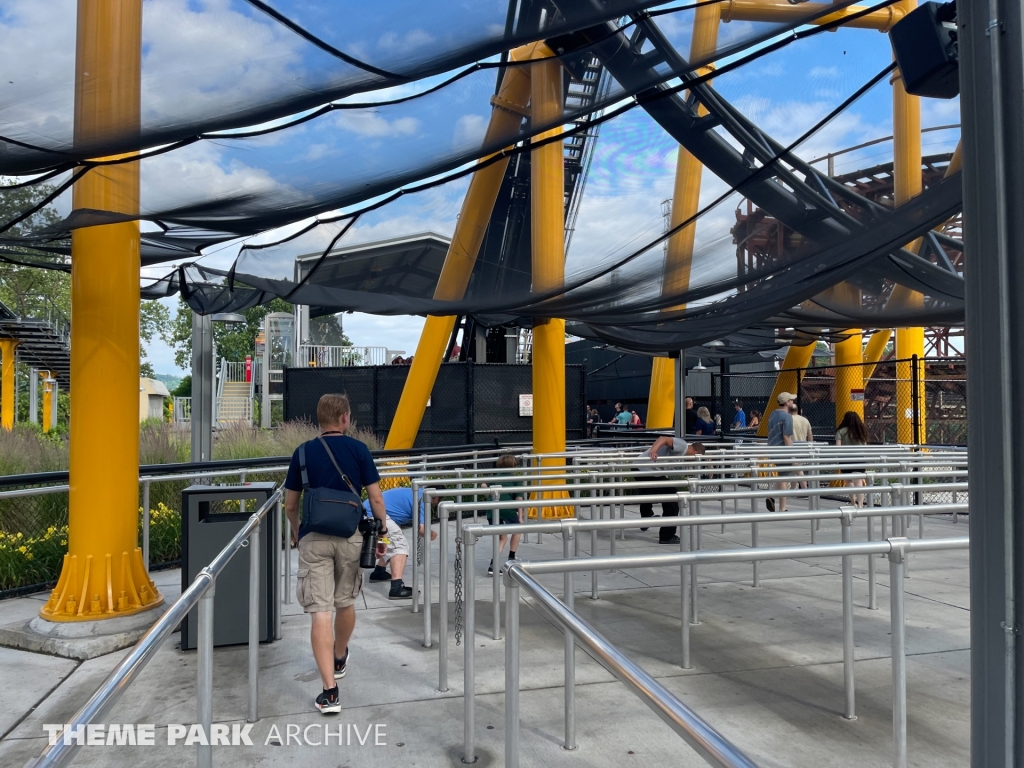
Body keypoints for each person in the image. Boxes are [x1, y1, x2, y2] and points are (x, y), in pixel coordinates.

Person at [285, 393, 388, 714]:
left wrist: (296, 530)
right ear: (344, 418)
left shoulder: (302, 452)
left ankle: (329, 693)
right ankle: (340, 654)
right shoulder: (359, 450)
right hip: (350, 535)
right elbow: (376, 499)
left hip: (314, 537)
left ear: (320, 419)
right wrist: (382, 531)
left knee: (320, 612)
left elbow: (290, 504)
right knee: (345, 601)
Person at [363, 488, 439, 599]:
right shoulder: (423, 499)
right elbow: (422, 530)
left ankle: (379, 572)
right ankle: (396, 588)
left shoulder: (417, 492)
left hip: (370, 512)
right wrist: (432, 534)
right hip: (374, 514)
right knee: (399, 545)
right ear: (436, 498)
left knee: (391, 541)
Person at [635, 436, 706, 543]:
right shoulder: (682, 446)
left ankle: (646, 518)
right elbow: (663, 439)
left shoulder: (681, 452)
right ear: (696, 453)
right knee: (672, 500)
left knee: (648, 491)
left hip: (640, 468)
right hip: (647, 470)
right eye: (696, 459)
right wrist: (653, 451)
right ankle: (667, 536)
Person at [482, 453, 525, 574]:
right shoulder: (515, 479)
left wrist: (484, 487)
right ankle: (511, 557)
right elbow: (519, 498)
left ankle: (493, 565)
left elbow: (486, 493)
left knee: (502, 537)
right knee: (517, 529)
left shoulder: (493, 478)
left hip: (492, 510)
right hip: (508, 509)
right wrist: (520, 516)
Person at [765, 392, 795, 512]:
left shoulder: (772, 414)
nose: (792, 402)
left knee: (782, 476)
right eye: (791, 400)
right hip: (783, 451)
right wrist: (792, 454)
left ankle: (771, 496)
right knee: (784, 478)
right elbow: (786, 437)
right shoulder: (787, 417)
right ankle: (782, 508)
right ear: (787, 402)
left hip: (772, 448)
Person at [836, 410, 869, 507]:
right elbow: (865, 446)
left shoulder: (840, 431)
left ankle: (853, 502)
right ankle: (861, 504)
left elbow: (838, 447)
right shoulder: (861, 431)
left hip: (845, 459)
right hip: (859, 459)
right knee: (859, 481)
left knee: (849, 481)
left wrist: (838, 458)